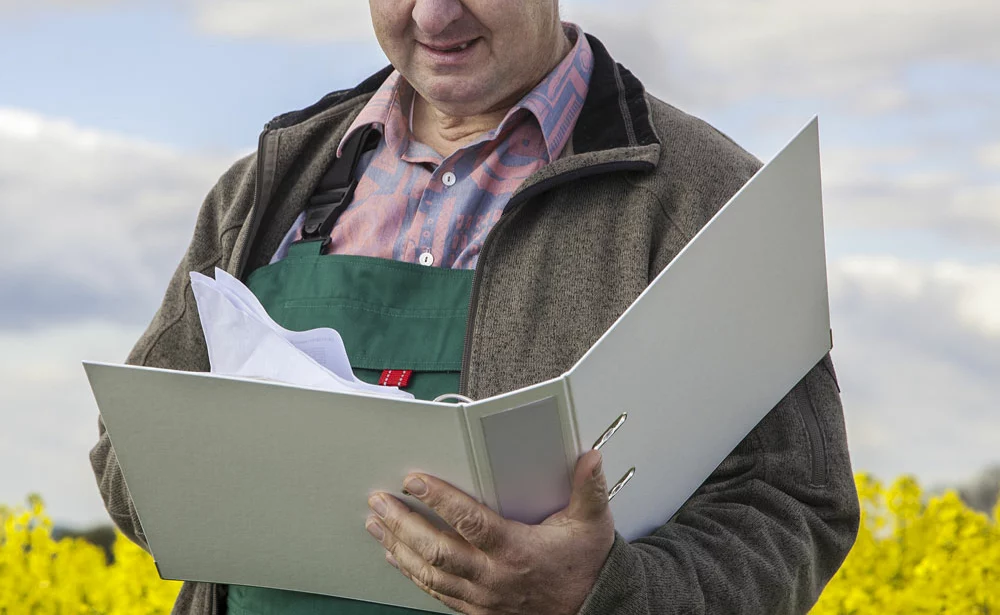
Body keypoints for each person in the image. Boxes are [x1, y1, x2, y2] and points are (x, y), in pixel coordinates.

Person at [90, 1, 860, 614]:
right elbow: (128, 460)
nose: (432, 17)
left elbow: (795, 503)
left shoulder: (706, 197)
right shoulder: (268, 183)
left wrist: (604, 593)